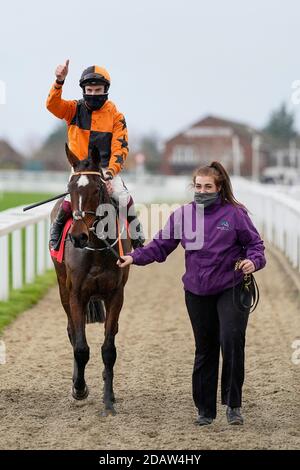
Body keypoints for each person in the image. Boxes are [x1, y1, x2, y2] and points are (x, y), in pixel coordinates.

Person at [117, 161, 266, 426]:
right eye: (198, 186)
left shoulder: (235, 214)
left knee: (231, 340)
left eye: (208, 186)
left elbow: (255, 245)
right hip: (196, 291)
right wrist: (134, 257)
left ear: (219, 188)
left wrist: (253, 261)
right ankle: (205, 411)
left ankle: (233, 405)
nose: (202, 191)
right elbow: (160, 246)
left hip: (231, 287)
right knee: (205, 348)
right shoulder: (183, 216)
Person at [46, 60, 145, 250]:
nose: (93, 94)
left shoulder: (116, 117)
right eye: (89, 91)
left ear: (105, 90)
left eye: (97, 90)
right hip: (80, 169)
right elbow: (52, 105)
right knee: (69, 200)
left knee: (123, 196)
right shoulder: (73, 109)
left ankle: (136, 232)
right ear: (84, 90)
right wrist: (59, 81)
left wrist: (109, 173)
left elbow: (121, 148)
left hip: (105, 169)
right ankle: (57, 230)